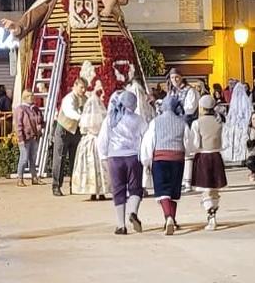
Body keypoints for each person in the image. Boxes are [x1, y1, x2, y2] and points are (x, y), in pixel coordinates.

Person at [97, 85, 147, 234]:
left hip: (114, 158)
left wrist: (103, 157)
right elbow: (146, 137)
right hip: (133, 157)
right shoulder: (139, 119)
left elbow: (102, 140)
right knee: (135, 188)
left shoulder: (110, 119)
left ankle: (121, 225)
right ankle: (133, 212)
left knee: (118, 191)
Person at [140, 90, 188, 234]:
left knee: (163, 190)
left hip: (160, 159)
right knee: (173, 190)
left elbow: (149, 142)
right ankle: (172, 218)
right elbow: (188, 142)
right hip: (178, 159)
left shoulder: (155, 122)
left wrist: (146, 161)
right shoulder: (182, 123)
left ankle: (168, 217)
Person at [186, 94, 227, 229]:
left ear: (202, 107)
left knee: (206, 189)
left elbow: (196, 144)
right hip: (216, 155)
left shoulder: (197, 123)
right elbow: (224, 141)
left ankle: (210, 216)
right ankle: (213, 214)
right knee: (214, 189)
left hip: (203, 157)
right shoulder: (219, 122)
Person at [50, 73, 90, 196]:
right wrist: (83, 118)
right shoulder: (69, 98)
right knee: (60, 159)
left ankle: (75, 185)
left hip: (76, 131)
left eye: (85, 88)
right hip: (63, 130)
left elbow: (89, 111)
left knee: (76, 160)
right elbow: (69, 112)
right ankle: (56, 186)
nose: (83, 90)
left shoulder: (86, 99)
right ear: (75, 85)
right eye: (81, 87)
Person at [70, 83, 111, 199]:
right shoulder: (102, 115)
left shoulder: (86, 116)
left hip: (88, 141)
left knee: (89, 165)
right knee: (100, 166)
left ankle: (92, 191)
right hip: (99, 141)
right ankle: (102, 191)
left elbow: (82, 128)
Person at [13, 89, 46, 183]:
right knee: (24, 158)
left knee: (33, 158)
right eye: (29, 96)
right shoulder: (20, 109)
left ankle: (34, 178)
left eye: (32, 96)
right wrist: (20, 138)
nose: (31, 98)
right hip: (25, 138)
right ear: (24, 97)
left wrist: (41, 125)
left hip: (35, 137)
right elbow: (18, 125)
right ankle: (20, 179)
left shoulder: (36, 109)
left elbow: (41, 121)